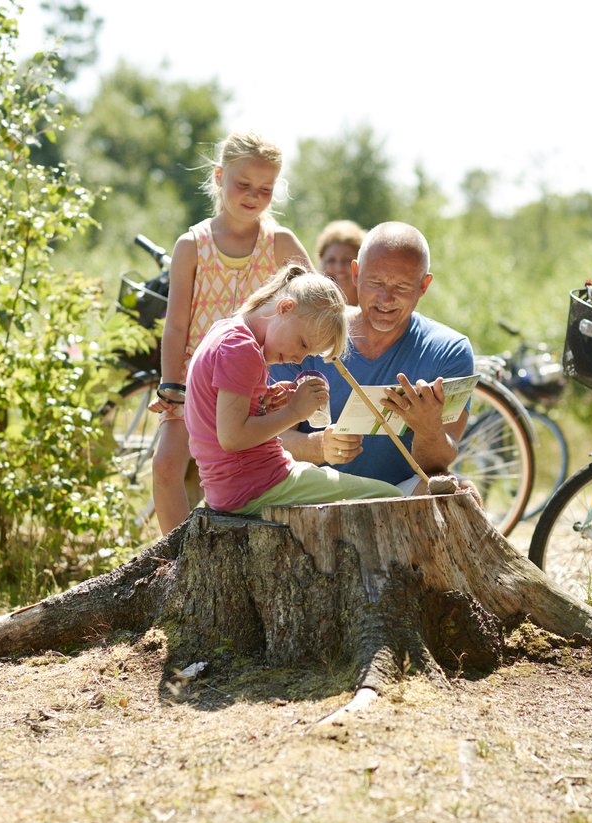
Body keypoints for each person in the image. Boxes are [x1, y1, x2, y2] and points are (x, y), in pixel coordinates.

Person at [149, 131, 312, 534]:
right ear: (219, 176)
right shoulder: (193, 245)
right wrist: (171, 385)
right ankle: (173, 560)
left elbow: (314, 306)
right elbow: (176, 324)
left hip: (254, 384)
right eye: (243, 184)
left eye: (266, 189)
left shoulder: (280, 244)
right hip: (195, 382)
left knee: (244, 474)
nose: (253, 196)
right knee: (167, 464)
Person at [271, 222, 474, 492]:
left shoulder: (449, 349)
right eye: (375, 282)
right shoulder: (310, 332)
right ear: (355, 273)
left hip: (399, 493)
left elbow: (436, 466)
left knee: (458, 491)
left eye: (401, 287)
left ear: (424, 286)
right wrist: (319, 446)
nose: (385, 298)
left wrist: (428, 429)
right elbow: (268, 437)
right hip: (312, 491)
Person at [185, 265, 402, 515]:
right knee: (391, 497)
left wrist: (265, 403)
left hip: (241, 485)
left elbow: (221, 416)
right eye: (303, 343)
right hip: (254, 487)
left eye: (307, 353)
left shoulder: (226, 332)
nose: (299, 358)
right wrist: (296, 412)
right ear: (285, 308)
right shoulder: (242, 349)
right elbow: (232, 438)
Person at [314, 219, 364, 304]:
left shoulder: (376, 308)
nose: (339, 268)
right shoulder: (311, 308)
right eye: (331, 260)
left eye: (347, 260)